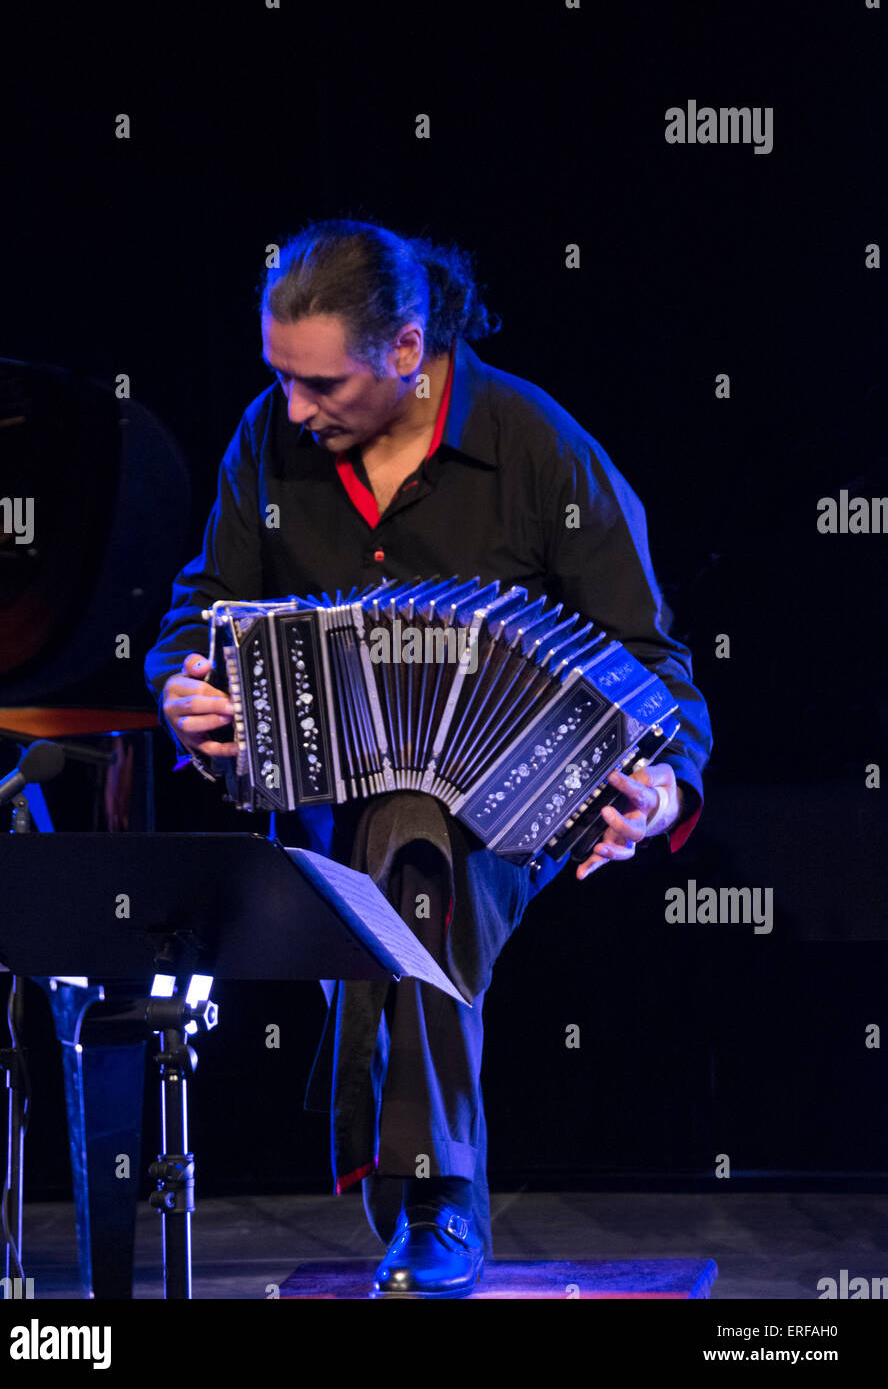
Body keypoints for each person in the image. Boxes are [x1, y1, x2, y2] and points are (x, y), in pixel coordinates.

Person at [144, 219, 712, 1298]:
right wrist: (183, 686)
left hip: (516, 802)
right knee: (393, 832)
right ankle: (432, 1192)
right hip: (316, 790)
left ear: (407, 349)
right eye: (279, 377)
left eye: (320, 384)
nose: (294, 409)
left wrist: (664, 781)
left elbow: (651, 657)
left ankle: (428, 1195)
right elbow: (196, 614)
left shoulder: (536, 446)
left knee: (411, 831)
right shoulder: (264, 439)